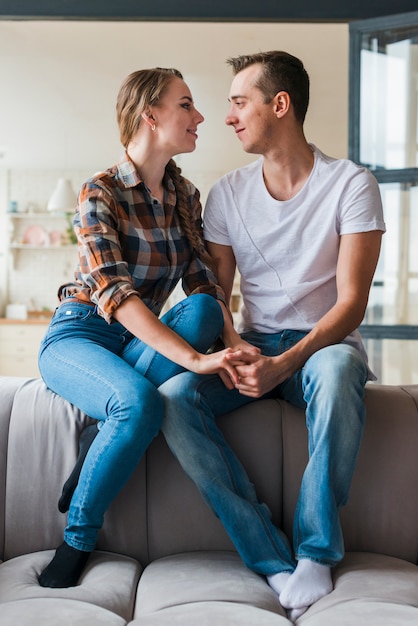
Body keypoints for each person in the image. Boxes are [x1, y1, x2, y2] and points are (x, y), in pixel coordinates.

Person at [159, 51, 385, 621]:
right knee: (174, 399)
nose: (228, 116)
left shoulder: (351, 184)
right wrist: (235, 348)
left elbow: (351, 302)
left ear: (279, 104)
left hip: (322, 345)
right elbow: (217, 293)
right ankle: (267, 555)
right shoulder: (227, 194)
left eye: (239, 102)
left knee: (335, 373)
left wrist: (288, 363)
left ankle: (315, 552)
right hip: (254, 343)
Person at [37, 67, 247, 589]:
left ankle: (99, 440)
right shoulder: (100, 191)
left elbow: (204, 285)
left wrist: (236, 345)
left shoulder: (185, 195)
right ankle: (78, 539)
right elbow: (119, 295)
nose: (200, 117)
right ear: (150, 115)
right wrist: (196, 361)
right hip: (81, 332)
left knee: (202, 311)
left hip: (136, 343)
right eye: (187, 105)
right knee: (139, 403)